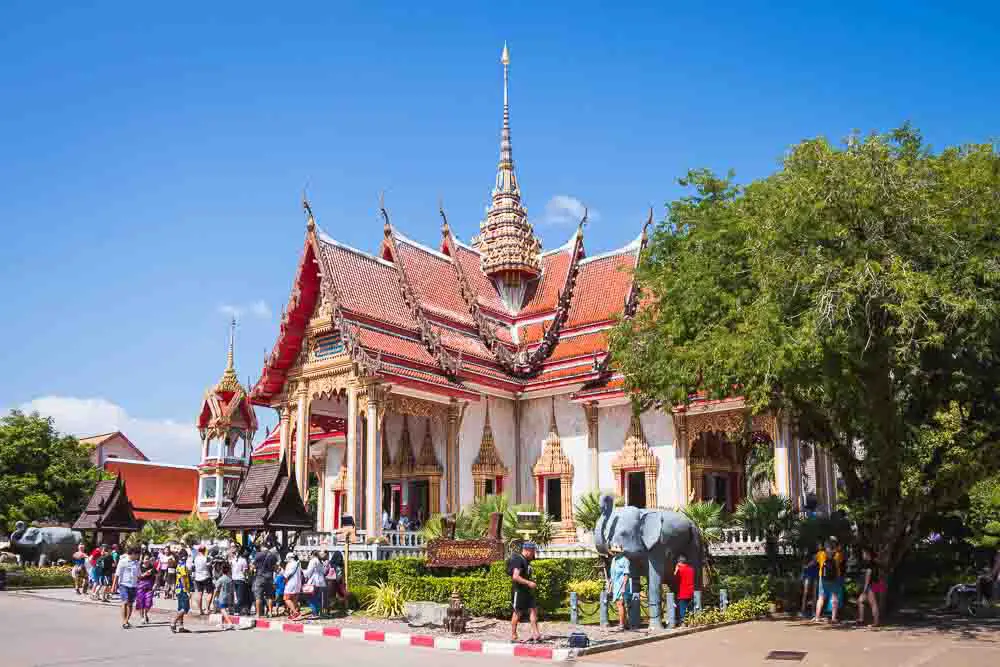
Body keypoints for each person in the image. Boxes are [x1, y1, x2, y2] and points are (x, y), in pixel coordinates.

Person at [508, 541, 541, 643]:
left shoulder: (526, 561)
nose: (533, 554)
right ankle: (513, 636)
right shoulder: (518, 559)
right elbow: (515, 576)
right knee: (517, 612)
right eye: (532, 551)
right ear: (527, 550)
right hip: (519, 590)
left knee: (533, 609)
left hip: (527, 590)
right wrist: (529, 583)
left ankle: (536, 634)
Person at [814, 540, 843, 623]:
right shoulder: (837, 555)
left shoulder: (821, 554)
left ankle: (817, 617)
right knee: (834, 597)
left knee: (821, 597)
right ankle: (833, 618)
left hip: (823, 578)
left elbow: (816, 561)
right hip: (835, 578)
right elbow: (840, 562)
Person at [112, 547, 141, 629]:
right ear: (132, 554)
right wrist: (114, 586)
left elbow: (139, 575)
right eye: (137, 555)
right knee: (125, 602)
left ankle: (127, 620)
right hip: (124, 584)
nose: (138, 556)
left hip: (133, 585)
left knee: (130, 604)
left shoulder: (137, 563)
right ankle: (124, 621)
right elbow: (117, 574)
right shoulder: (123, 562)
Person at [856, 547, 882, 626]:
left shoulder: (869, 564)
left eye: (864, 553)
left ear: (868, 554)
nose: (863, 555)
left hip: (872, 584)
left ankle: (876, 622)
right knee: (860, 601)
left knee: (873, 604)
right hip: (878, 584)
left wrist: (865, 590)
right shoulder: (875, 562)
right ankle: (861, 619)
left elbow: (868, 577)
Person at [608, 545, 632, 630]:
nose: (615, 553)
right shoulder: (614, 560)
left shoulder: (625, 560)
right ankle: (624, 623)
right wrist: (610, 586)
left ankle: (622, 624)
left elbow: (626, 575)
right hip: (616, 585)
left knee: (620, 604)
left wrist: (623, 587)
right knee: (619, 604)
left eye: (616, 552)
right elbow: (612, 575)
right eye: (614, 552)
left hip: (622, 584)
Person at [252, 546, 278, 617]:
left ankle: (258, 614)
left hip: (260, 577)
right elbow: (276, 568)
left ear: (262, 548)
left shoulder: (258, 555)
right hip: (269, 577)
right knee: (270, 596)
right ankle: (270, 612)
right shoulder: (273, 556)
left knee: (258, 597)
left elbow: (253, 567)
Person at [172, 549, 192, 633]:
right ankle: (173, 622)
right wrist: (187, 590)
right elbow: (183, 578)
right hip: (183, 589)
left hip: (178, 589)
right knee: (185, 608)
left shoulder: (178, 565)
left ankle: (181, 626)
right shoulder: (183, 566)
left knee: (180, 608)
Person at [302, 551, 326, 618]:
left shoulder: (313, 561)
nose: (310, 556)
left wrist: (303, 571)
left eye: (310, 555)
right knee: (317, 598)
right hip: (321, 582)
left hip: (314, 581)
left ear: (313, 555)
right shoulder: (320, 561)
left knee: (310, 598)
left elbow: (309, 572)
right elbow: (324, 571)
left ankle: (314, 613)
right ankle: (319, 613)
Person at [192, 545, 214, 615]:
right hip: (206, 576)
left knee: (199, 593)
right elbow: (210, 567)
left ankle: (200, 610)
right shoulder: (206, 558)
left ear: (198, 551)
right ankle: (207, 609)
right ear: (205, 550)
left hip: (197, 577)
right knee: (210, 593)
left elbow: (193, 567)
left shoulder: (195, 558)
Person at [135, 554, 156, 624]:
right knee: (141, 602)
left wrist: (155, 584)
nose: (147, 560)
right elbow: (136, 577)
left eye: (148, 559)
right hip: (140, 586)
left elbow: (157, 576)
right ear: (143, 560)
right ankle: (142, 617)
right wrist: (144, 574)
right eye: (146, 559)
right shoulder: (139, 567)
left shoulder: (152, 568)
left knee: (148, 602)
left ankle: (145, 613)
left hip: (149, 586)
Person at [214, 561, 236, 629]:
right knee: (223, 610)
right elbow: (233, 589)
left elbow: (217, 589)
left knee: (222, 610)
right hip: (229, 596)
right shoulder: (230, 579)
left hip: (222, 597)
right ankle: (222, 623)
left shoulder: (220, 579)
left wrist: (214, 597)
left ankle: (229, 622)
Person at [675, 554, 696, 624]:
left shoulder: (680, 570)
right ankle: (691, 622)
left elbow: (675, 578)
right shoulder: (691, 569)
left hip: (682, 593)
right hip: (690, 592)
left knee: (682, 609)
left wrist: (676, 570)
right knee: (690, 609)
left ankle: (683, 623)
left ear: (680, 562)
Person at [282, 553, 303, 620]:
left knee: (286, 598)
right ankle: (293, 614)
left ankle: (295, 612)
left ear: (289, 558)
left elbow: (286, 575)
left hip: (291, 583)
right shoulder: (298, 564)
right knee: (294, 599)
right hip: (298, 583)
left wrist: (284, 581)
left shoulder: (289, 564)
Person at [800, 547, 820, 617]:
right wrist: (810, 564)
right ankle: (803, 611)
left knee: (814, 594)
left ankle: (813, 611)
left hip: (815, 575)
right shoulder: (806, 557)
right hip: (808, 575)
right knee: (805, 593)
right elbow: (804, 567)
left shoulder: (819, 555)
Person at [326, 550, 347, 614]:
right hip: (339, 582)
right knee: (342, 596)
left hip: (331, 582)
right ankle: (343, 608)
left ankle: (329, 610)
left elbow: (326, 572)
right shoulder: (341, 565)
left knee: (331, 597)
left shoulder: (331, 563)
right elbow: (342, 574)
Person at [230, 546, 249, 615]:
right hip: (241, 579)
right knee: (240, 596)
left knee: (236, 596)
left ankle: (237, 609)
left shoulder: (233, 560)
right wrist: (247, 577)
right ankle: (237, 610)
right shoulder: (243, 560)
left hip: (234, 579)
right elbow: (245, 571)